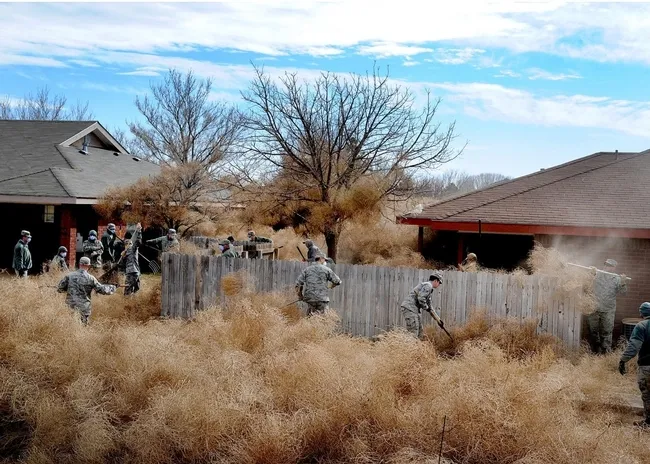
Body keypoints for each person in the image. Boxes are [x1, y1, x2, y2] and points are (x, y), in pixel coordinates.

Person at [57, 256, 116, 324]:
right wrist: (113, 287)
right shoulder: (90, 278)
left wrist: (69, 289)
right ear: (88, 265)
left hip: (70, 306)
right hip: (84, 308)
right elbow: (102, 289)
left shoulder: (69, 276)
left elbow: (59, 289)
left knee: (70, 325)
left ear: (79, 264)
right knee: (83, 327)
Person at [618, 302, 650, 428]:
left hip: (647, 366)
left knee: (647, 394)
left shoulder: (641, 326)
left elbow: (633, 347)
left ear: (641, 313)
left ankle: (648, 423)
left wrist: (623, 360)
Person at [587, 259, 628, 354]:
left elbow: (623, 293)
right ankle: (595, 351)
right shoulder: (596, 274)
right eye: (606, 265)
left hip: (608, 309)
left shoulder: (617, 279)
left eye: (610, 266)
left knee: (607, 331)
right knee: (593, 330)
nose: (607, 267)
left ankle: (606, 352)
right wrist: (590, 274)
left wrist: (623, 283)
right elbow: (586, 285)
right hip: (594, 308)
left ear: (614, 268)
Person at [400, 272, 445, 339]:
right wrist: (426, 307)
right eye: (439, 283)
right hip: (410, 308)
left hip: (414, 310)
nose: (439, 285)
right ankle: (409, 348)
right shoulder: (428, 286)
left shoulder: (429, 289)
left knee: (420, 332)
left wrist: (438, 320)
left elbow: (430, 307)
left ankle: (418, 348)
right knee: (413, 332)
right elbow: (421, 298)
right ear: (435, 280)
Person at [122, 223, 142, 296]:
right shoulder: (125, 251)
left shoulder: (133, 249)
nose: (127, 243)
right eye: (125, 242)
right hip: (130, 272)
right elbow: (123, 263)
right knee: (131, 289)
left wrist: (138, 231)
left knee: (130, 289)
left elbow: (137, 242)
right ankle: (130, 302)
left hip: (133, 271)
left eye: (128, 242)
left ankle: (129, 303)